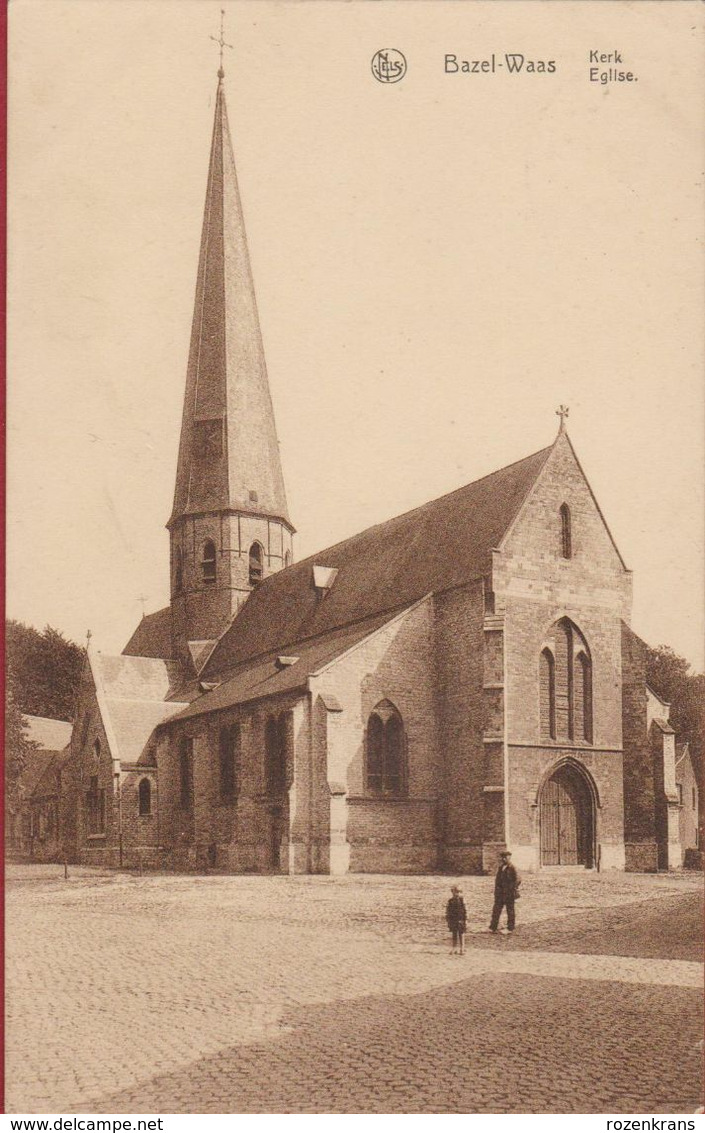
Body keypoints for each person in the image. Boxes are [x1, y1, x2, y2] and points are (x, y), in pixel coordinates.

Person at [489, 850, 521, 933]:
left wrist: (512, 889)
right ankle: (493, 927)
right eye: (502, 857)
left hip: (509, 893)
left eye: (505, 857)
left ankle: (510, 927)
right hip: (500, 893)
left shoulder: (513, 868)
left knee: (510, 910)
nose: (503, 859)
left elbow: (518, 880)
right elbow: (497, 881)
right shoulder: (501, 868)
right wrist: (497, 891)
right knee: (496, 910)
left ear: (509, 858)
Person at [446, 885, 467, 954]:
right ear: (452, 892)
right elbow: (448, 911)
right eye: (455, 892)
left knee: (461, 934)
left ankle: (462, 948)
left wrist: (464, 919)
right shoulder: (450, 901)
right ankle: (454, 948)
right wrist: (449, 920)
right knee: (454, 934)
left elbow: (464, 911)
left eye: (458, 892)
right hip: (453, 920)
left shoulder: (462, 900)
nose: (457, 894)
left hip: (460, 919)